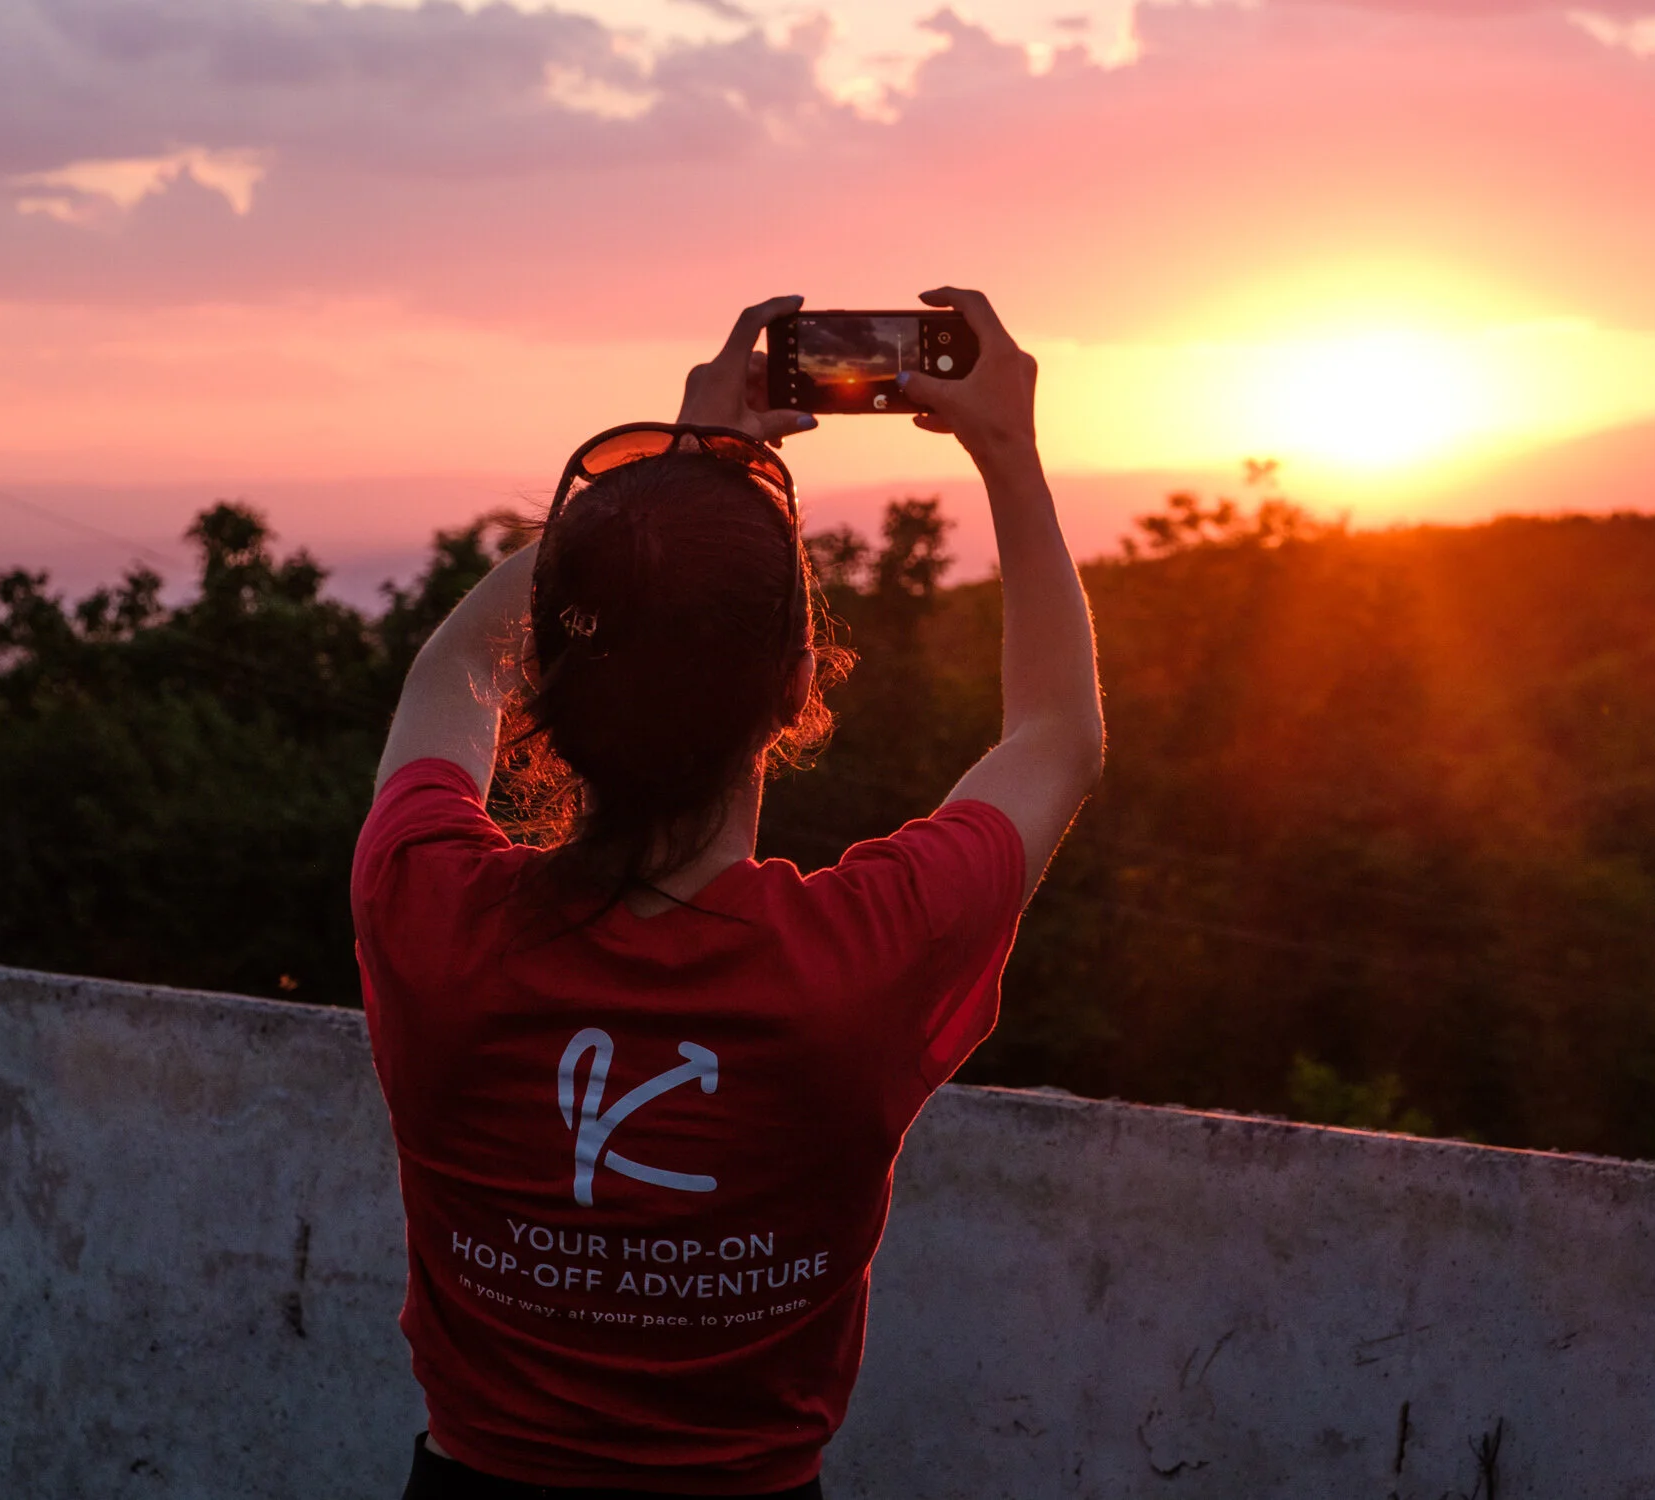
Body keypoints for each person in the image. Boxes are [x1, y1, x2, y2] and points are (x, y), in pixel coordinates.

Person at [352, 288, 1104, 1498]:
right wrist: (1008, 454)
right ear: (801, 682)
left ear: (547, 670)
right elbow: (1057, 737)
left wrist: (673, 486)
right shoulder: (855, 963)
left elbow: (449, 672)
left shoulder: (433, 916)